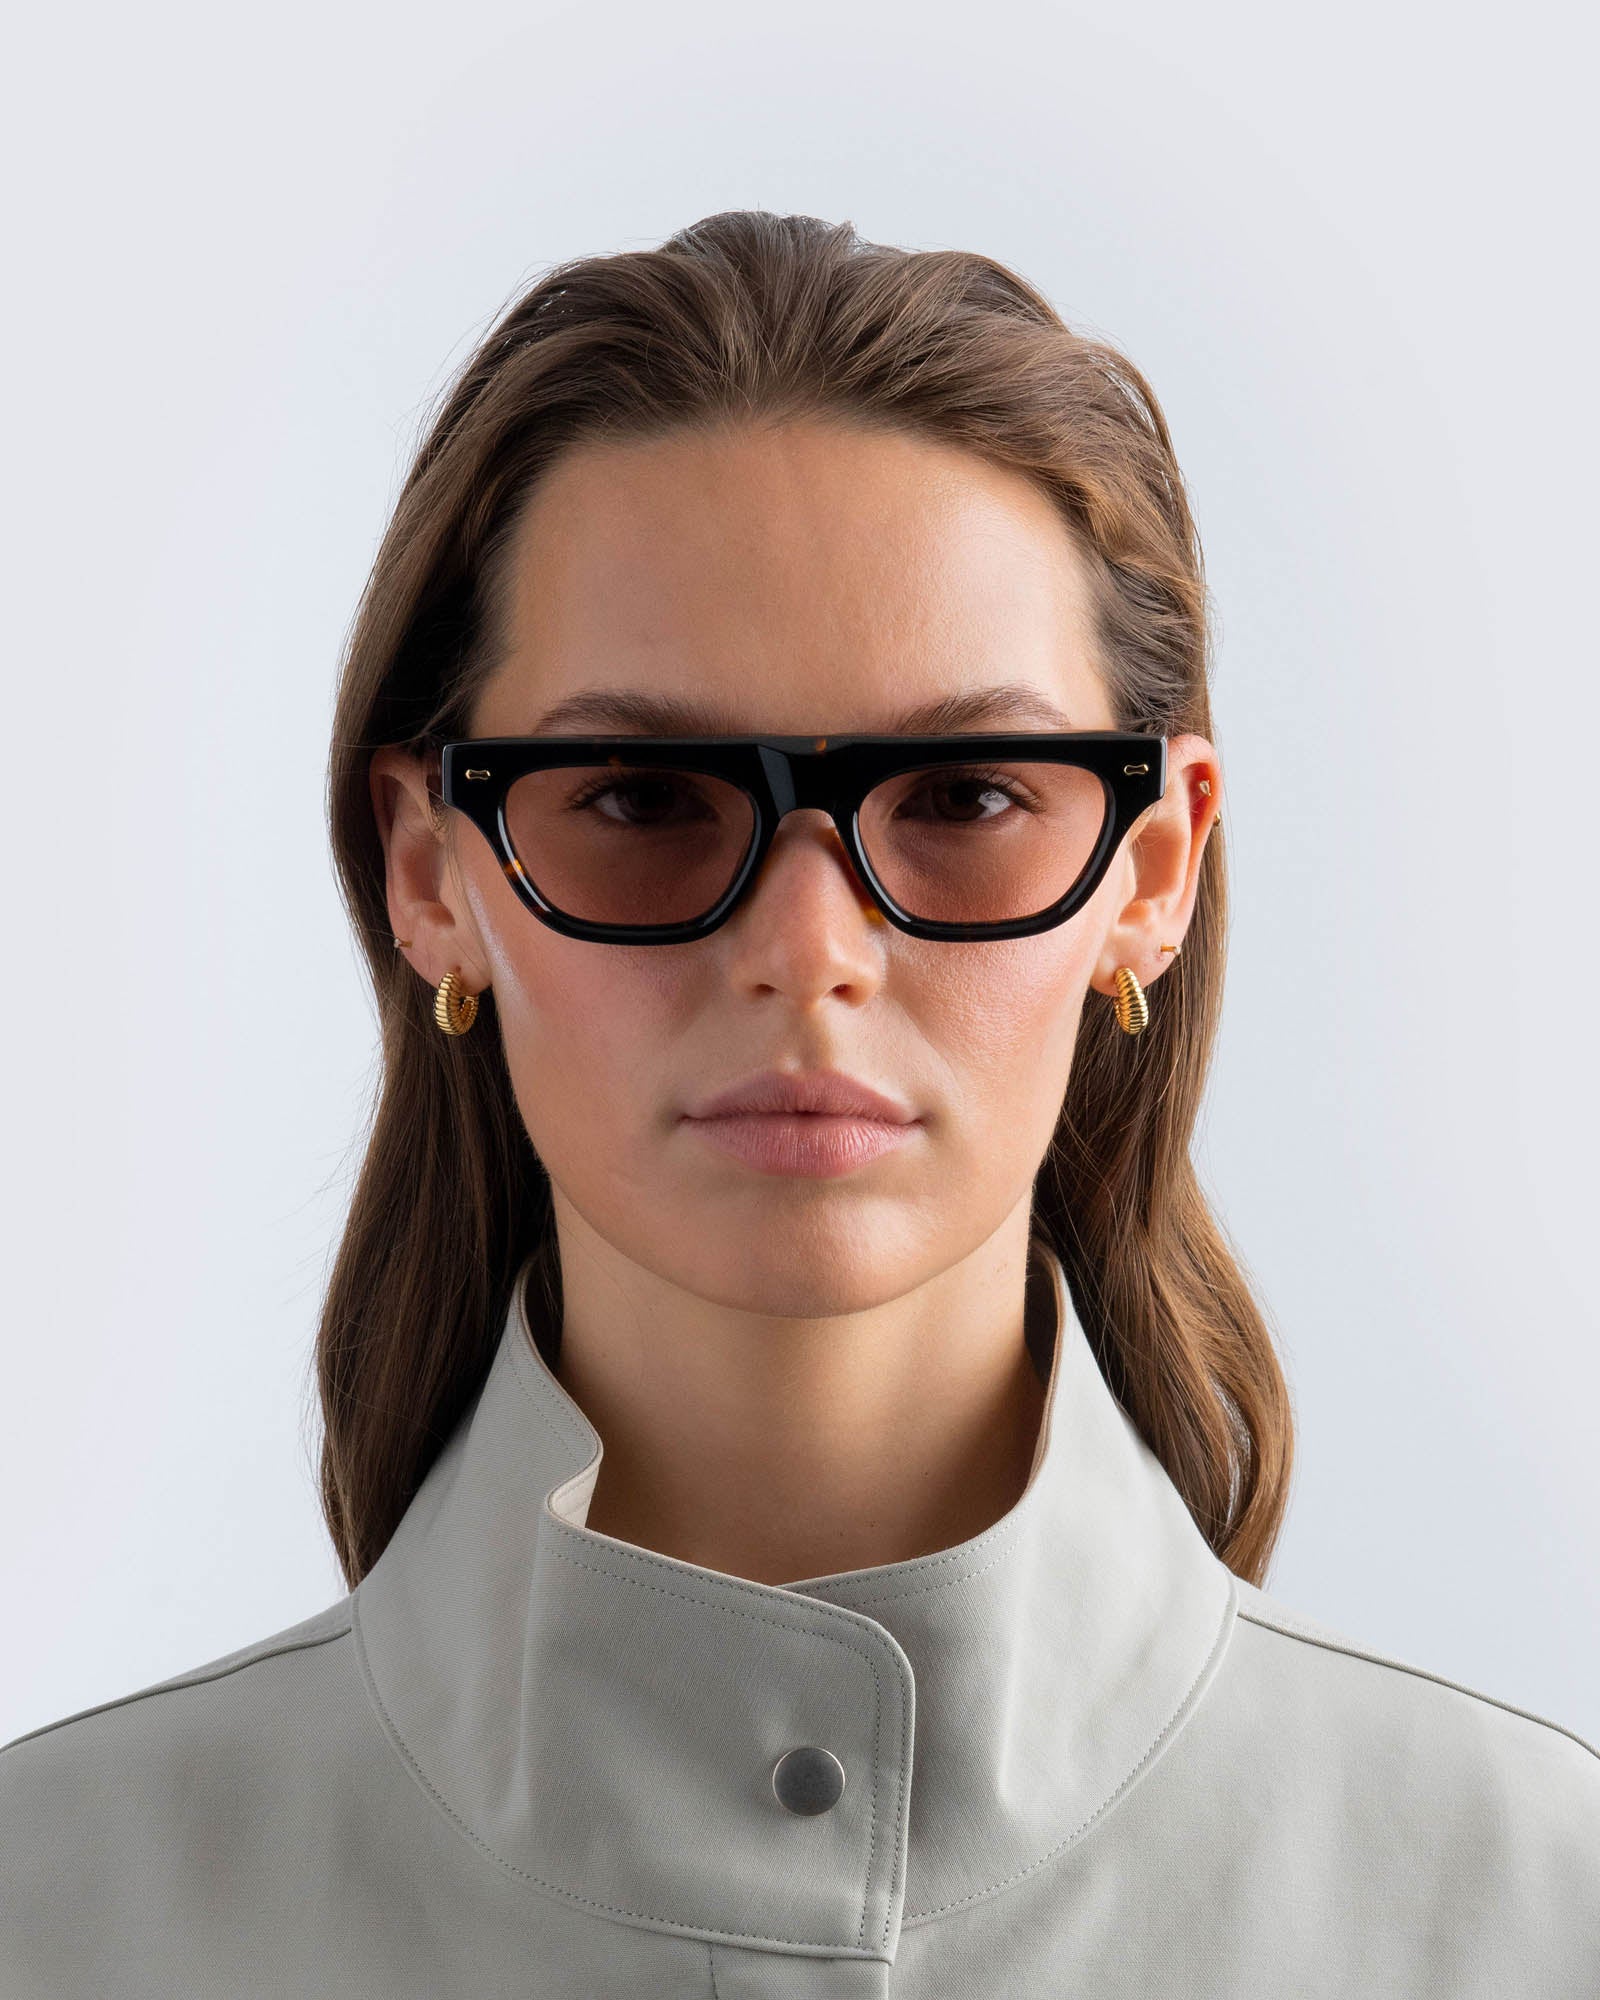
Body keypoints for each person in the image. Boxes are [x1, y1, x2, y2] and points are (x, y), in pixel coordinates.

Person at [3, 209, 1596, 1998]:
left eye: (970, 795)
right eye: (640, 795)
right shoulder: (53, 1916)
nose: (807, 950)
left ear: (1151, 869)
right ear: (430, 866)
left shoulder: (1534, 1914)